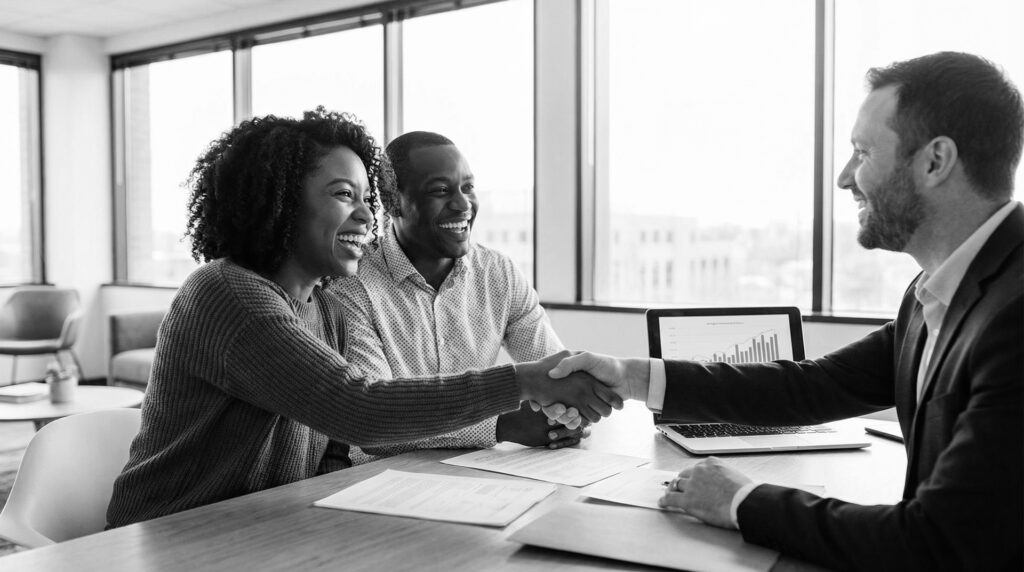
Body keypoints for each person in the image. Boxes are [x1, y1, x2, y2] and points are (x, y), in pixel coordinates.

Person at [547, 52, 1023, 571]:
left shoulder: (1014, 316)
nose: (845, 178)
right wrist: (632, 376)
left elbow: (937, 544)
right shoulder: (933, 291)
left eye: (862, 153)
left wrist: (740, 501)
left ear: (935, 161)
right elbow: (814, 386)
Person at [106, 109, 620, 528]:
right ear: (281, 204)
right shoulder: (229, 295)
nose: (366, 216)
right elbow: (359, 409)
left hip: (261, 525)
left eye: (364, 198)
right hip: (170, 534)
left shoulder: (316, 303)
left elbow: (330, 445)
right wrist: (521, 381)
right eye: (342, 195)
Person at [331, 131, 582, 463]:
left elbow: (555, 376)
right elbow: (375, 421)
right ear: (393, 203)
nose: (463, 204)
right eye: (441, 191)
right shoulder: (351, 285)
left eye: (468, 188)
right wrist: (501, 426)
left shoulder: (499, 274)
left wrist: (564, 415)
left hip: (473, 478)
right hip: (374, 483)